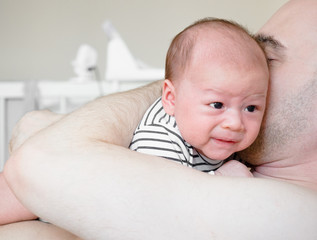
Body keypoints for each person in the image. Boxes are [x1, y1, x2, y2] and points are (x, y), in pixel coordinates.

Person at [2, 0, 317, 239]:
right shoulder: (187, 144)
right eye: (218, 99)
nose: (248, 75)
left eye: (268, 59)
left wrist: (191, 91)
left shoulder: (296, 215)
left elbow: (41, 158)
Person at [130, 18, 268, 176]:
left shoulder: (224, 139)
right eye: (217, 105)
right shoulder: (158, 139)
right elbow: (167, 197)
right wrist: (224, 177)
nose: (235, 123)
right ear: (171, 99)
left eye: (250, 108)